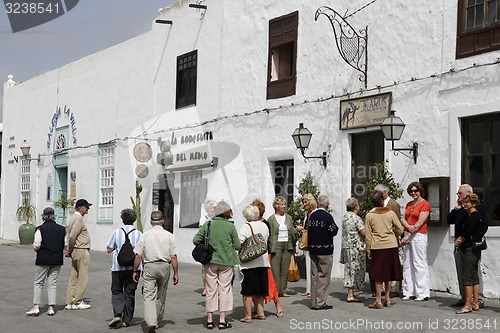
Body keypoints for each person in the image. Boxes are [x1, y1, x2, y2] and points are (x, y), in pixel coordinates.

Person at [193, 201, 240, 330]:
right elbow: (237, 245)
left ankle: (209, 320)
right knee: (224, 290)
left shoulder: (208, 224)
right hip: (226, 261)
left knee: (210, 289)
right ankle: (222, 320)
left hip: (210, 261)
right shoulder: (230, 226)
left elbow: (196, 240)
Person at [133, 210, 178, 333]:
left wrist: (135, 270)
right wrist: (176, 273)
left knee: (148, 295)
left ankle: (151, 322)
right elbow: (173, 256)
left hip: (149, 266)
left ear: (151, 222)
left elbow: (138, 255)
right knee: (161, 294)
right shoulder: (170, 236)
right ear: (163, 221)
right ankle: (157, 317)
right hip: (164, 266)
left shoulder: (145, 235)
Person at [447, 184, 488, 308]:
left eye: (460, 193)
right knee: (462, 271)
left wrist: (474, 238)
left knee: (473, 272)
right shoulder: (461, 208)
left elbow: (484, 225)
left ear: (468, 194)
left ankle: (477, 298)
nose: (458, 195)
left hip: (471, 245)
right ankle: (465, 297)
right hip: (460, 245)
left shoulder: (477, 208)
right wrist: (456, 209)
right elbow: (449, 219)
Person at [365, 191, 404, 309]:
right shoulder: (390, 213)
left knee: (378, 274)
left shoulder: (369, 215)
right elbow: (400, 229)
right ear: (382, 201)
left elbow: (368, 236)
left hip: (377, 246)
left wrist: (368, 250)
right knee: (388, 273)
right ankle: (387, 299)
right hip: (391, 245)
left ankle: (378, 300)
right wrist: (394, 234)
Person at [26, 207, 67, 316]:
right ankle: (51, 307)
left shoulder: (40, 229)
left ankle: (36, 306)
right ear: (54, 216)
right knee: (52, 284)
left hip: (43, 259)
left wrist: (35, 248)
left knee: (39, 282)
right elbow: (65, 244)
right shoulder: (62, 229)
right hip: (57, 259)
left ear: (44, 216)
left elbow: (37, 244)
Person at [106, 208, 143, 328]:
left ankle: (117, 314)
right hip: (134, 268)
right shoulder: (139, 234)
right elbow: (142, 252)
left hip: (118, 267)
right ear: (134, 220)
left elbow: (109, 249)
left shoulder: (116, 232)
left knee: (116, 290)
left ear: (122, 219)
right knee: (129, 292)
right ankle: (127, 320)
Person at [251, 199, 283, 318]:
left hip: (264, 256)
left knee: (269, 282)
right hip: (256, 256)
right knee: (255, 281)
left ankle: (277, 304)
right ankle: (258, 308)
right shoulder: (252, 223)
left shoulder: (264, 224)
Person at [238, 205, 270, 323]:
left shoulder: (246, 227)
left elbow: (239, 242)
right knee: (260, 289)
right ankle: (260, 312)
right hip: (262, 261)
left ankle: (248, 316)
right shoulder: (264, 226)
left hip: (249, 263)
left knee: (248, 291)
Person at [400, 182, 431, 301]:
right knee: (407, 263)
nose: (413, 193)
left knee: (419, 263)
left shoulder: (425, 204)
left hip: (419, 235)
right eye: (411, 191)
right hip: (408, 233)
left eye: (415, 191)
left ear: (420, 191)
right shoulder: (409, 204)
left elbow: (420, 222)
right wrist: (408, 227)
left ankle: (422, 292)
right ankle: (409, 291)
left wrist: (410, 232)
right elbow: (403, 218)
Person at [453, 194, 484, 314]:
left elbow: (469, 231)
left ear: (474, 204)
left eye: (468, 202)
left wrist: (460, 239)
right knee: (474, 277)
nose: (465, 204)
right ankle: (475, 303)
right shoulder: (472, 215)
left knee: (467, 277)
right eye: (464, 202)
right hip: (474, 249)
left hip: (470, 249)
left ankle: (468, 304)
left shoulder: (473, 216)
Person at [308, 194, 339, 310]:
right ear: (327, 204)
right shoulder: (327, 216)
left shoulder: (312, 215)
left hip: (313, 249)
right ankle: (320, 302)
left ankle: (313, 302)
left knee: (314, 276)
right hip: (325, 250)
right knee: (324, 276)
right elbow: (333, 231)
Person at [374, 184, 402, 298]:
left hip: (390, 240)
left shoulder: (393, 205)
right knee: (382, 266)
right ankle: (383, 292)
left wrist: (393, 235)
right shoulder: (376, 208)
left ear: (385, 193)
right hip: (380, 241)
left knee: (391, 265)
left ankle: (393, 289)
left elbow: (397, 223)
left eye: (378, 192)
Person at [65, 198, 92, 310]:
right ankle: (78, 301)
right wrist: (69, 248)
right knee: (82, 277)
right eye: (86, 207)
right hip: (80, 249)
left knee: (74, 276)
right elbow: (72, 236)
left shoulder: (73, 218)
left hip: (76, 249)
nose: (87, 210)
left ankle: (70, 301)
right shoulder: (78, 219)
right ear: (80, 208)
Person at [268, 196, 296, 297]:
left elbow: (292, 232)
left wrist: (293, 246)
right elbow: (269, 234)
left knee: (284, 269)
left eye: (284, 204)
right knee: (275, 269)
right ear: (276, 206)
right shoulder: (271, 219)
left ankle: (283, 290)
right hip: (276, 246)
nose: (284, 206)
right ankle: (276, 290)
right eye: (282, 204)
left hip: (287, 245)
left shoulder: (288, 218)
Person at [340, 198, 366, 302]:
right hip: (356, 247)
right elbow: (363, 232)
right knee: (355, 269)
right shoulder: (356, 218)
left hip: (347, 246)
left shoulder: (345, 217)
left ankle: (351, 293)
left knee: (349, 269)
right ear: (356, 206)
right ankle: (351, 294)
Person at [295, 193, 317, 298]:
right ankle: (308, 289)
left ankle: (312, 289)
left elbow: (311, 229)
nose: (304, 204)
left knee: (312, 266)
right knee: (308, 265)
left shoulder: (314, 213)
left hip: (312, 243)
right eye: (303, 202)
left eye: (306, 202)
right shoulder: (307, 214)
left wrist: (302, 229)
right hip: (307, 243)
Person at [199, 199, 217, 297]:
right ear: (207, 209)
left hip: (215, 246)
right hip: (206, 246)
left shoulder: (218, 219)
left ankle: (214, 288)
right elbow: (201, 233)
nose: (213, 210)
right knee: (205, 269)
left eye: (214, 208)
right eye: (211, 208)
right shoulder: (203, 219)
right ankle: (205, 288)